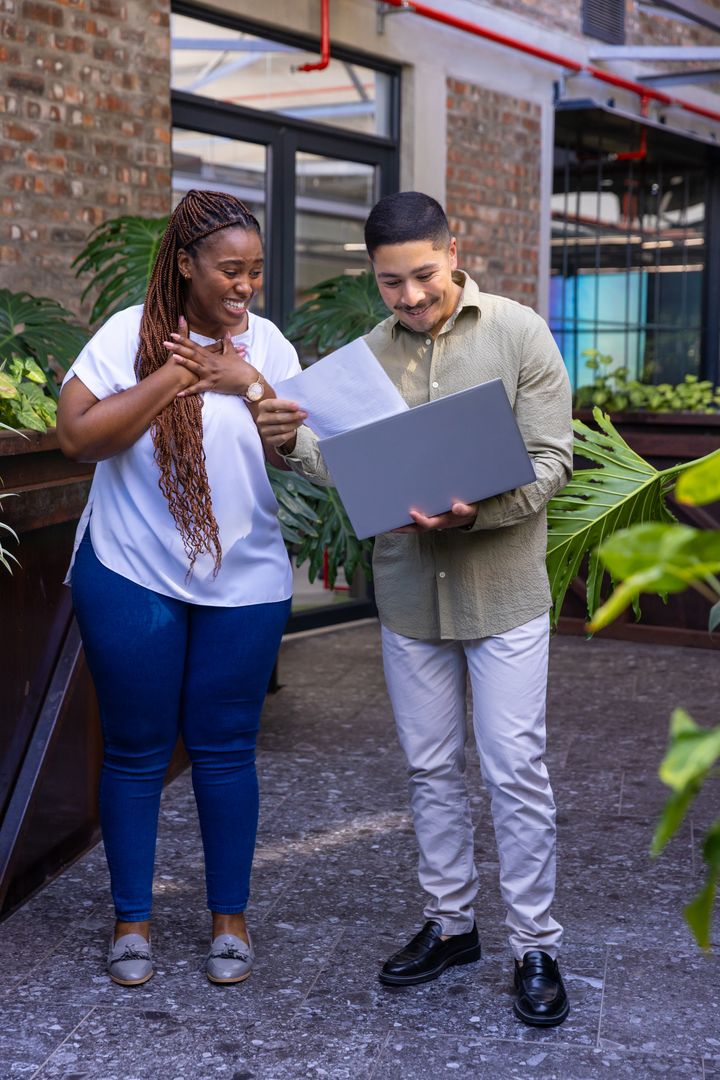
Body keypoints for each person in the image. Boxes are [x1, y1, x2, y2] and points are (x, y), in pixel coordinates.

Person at [256, 191, 573, 1027]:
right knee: (431, 771)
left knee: (514, 771)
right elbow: (343, 459)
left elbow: (552, 461)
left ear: (453, 252)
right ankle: (452, 926)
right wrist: (290, 442)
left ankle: (536, 944)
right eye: (392, 282)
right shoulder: (363, 358)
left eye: (423, 276)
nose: (410, 297)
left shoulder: (518, 333)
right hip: (407, 598)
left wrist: (482, 511)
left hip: (504, 592)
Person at [57, 189, 305, 988]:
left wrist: (252, 388)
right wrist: (174, 373)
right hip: (132, 571)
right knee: (135, 750)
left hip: (247, 576)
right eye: (229, 270)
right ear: (187, 263)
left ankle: (229, 920)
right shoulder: (128, 334)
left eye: (255, 272)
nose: (244, 287)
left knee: (227, 748)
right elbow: (77, 437)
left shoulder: (266, 343)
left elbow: (296, 446)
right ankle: (133, 920)